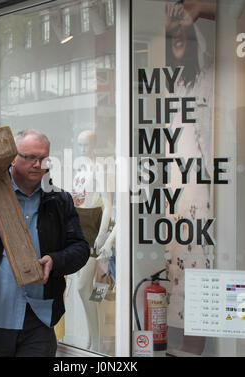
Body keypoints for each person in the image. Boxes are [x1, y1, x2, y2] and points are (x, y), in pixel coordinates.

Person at [0, 129, 90, 357]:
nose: (37, 164)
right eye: (30, 157)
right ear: (13, 157)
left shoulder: (58, 200)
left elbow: (80, 248)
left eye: (43, 158)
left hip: (39, 316)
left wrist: (55, 261)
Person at [164, 0, 216, 354]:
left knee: (200, 271)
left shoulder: (208, 80)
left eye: (182, 28)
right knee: (180, 276)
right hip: (175, 194)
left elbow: (212, 142)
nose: (176, 36)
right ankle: (186, 345)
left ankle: (199, 346)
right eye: (171, 32)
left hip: (201, 193)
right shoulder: (173, 85)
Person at [71, 130, 113, 352]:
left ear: (94, 145)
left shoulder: (99, 169)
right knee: (84, 289)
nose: (82, 149)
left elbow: (108, 204)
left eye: (86, 145)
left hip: (92, 227)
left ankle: (96, 340)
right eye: (79, 145)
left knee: (81, 287)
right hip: (78, 226)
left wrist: (102, 233)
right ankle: (93, 338)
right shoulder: (80, 169)